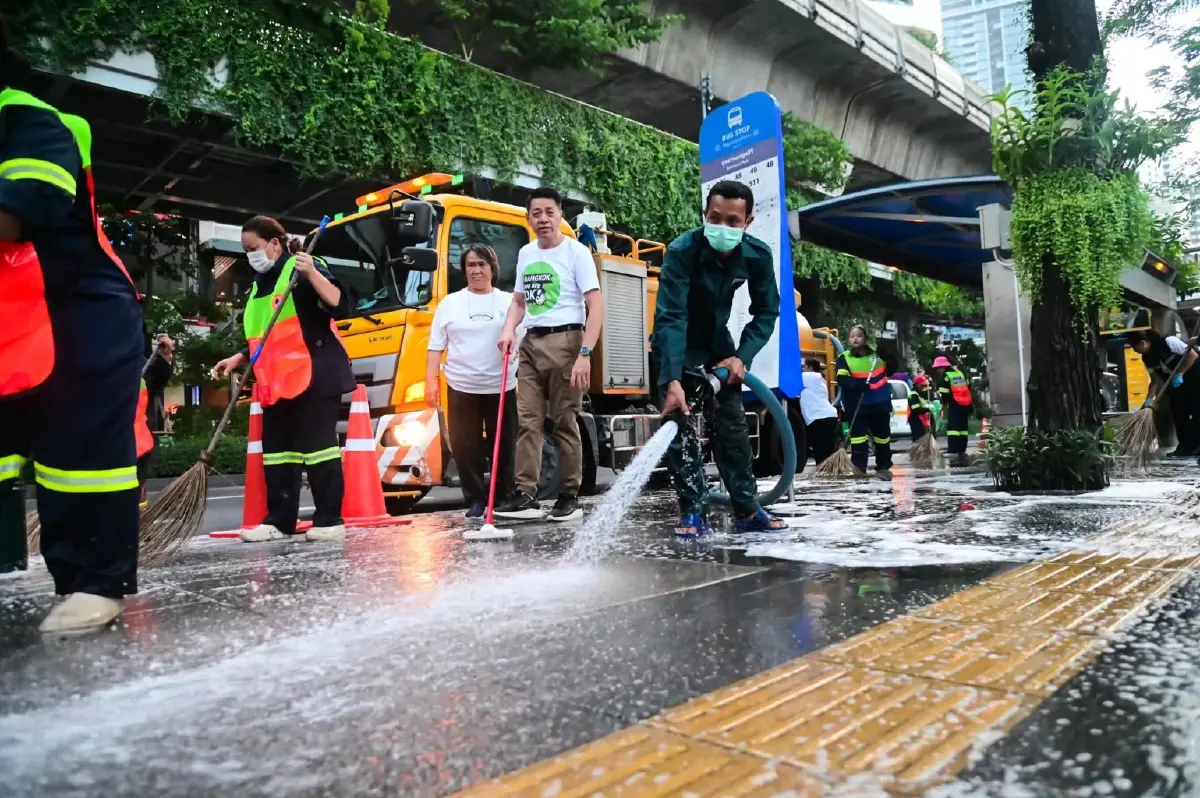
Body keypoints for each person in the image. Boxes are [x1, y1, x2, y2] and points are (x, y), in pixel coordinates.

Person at [0, 21, 144, 633]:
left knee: (79, 453)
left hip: (80, 316)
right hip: (18, 322)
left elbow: (22, 209)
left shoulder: (28, 121)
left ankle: (96, 582)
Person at [654, 180, 788, 535]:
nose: (723, 227)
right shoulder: (683, 250)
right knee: (679, 430)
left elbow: (767, 311)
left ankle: (746, 508)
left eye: (733, 221)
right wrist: (672, 379)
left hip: (718, 346)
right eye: (715, 218)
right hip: (677, 346)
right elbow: (671, 315)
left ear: (748, 221)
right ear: (704, 215)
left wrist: (740, 357)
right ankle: (693, 513)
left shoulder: (756, 255)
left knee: (732, 429)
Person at [211, 215, 354, 542]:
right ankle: (279, 521)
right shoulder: (258, 287)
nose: (250, 256)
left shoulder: (303, 267)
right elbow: (265, 336)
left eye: (254, 248)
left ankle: (330, 520)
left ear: (275, 244)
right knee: (277, 453)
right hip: (276, 383)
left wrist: (312, 273)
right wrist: (239, 357)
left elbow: (341, 305)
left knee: (319, 450)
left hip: (315, 374)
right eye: (246, 250)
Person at [495, 187, 604, 522]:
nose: (542, 219)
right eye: (535, 213)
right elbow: (518, 302)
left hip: (567, 341)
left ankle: (569, 495)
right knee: (527, 422)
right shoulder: (527, 254)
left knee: (563, 421)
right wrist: (509, 328)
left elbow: (596, 306)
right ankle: (525, 494)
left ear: (559, 215)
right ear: (528, 219)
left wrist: (584, 353)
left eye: (548, 212)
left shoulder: (576, 253)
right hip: (531, 344)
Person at [426, 244, 519, 518]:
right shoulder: (450, 304)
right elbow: (435, 347)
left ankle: (503, 497)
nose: (476, 270)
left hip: (501, 385)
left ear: (493, 269)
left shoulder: (509, 302)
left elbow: (522, 339)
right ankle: (475, 499)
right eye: (470, 265)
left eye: (482, 264)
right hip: (461, 385)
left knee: (503, 444)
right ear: (464, 270)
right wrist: (430, 381)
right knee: (465, 447)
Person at [1127, 330, 1198, 457]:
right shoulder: (1147, 358)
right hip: (1177, 385)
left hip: (1194, 379)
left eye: (1134, 347)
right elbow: (1155, 381)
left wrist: (1180, 373)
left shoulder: (1168, 342)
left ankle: (1197, 446)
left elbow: (1192, 355)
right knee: (1178, 414)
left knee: (1197, 412)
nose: (1134, 350)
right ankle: (1185, 447)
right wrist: (1149, 400)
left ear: (1143, 343)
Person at [835, 325, 892, 475]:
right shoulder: (844, 358)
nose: (855, 338)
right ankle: (859, 468)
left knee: (882, 437)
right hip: (857, 405)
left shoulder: (877, 357)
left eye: (859, 335)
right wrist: (858, 385)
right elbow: (842, 379)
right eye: (852, 336)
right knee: (858, 438)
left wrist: (888, 355)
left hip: (880, 403)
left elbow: (891, 369)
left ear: (865, 339)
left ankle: (884, 465)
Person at [136, 331, 174, 505]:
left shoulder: (137, 363)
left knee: (136, 498)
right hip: (104, 445)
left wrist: (166, 356)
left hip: (137, 446)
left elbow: (157, 382)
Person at [932, 355, 972, 462]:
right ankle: (961, 450)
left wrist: (944, 402)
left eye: (938, 368)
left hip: (955, 403)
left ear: (942, 367)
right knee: (962, 429)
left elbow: (945, 393)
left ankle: (953, 450)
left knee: (953, 429)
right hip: (966, 403)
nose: (938, 370)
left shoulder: (945, 376)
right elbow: (967, 386)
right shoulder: (959, 373)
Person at [801, 358, 839, 465]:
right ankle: (826, 471)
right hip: (824, 416)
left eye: (804, 366)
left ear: (811, 368)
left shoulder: (811, 377)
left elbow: (790, 379)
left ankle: (825, 472)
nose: (802, 369)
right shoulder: (817, 378)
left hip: (821, 417)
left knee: (821, 449)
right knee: (822, 448)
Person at [909, 374, 933, 440]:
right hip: (915, 419)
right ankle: (917, 449)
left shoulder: (918, 393)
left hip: (919, 419)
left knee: (921, 436)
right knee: (917, 437)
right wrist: (927, 410)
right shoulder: (913, 394)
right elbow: (916, 409)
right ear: (918, 384)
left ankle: (920, 449)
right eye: (922, 385)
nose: (923, 386)